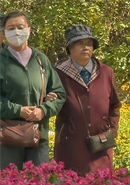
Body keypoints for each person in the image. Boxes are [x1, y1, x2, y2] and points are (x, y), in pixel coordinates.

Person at [0, 11, 66, 169]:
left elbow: (60, 94)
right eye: (11, 28)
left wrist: (43, 110)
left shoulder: (40, 59)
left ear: (29, 30)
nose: (16, 31)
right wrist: (18, 110)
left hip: (38, 136)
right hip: (7, 137)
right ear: (4, 32)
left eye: (20, 27)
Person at [53, 25, 122, 175]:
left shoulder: (106, 72)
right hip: (71, 144)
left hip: (101, 144)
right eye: (80, 43)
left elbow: (115, 105)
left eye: (89, 44)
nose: (85, 47)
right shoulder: (58, 73)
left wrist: (112, 129)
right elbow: (51, 104)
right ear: (70, 48)